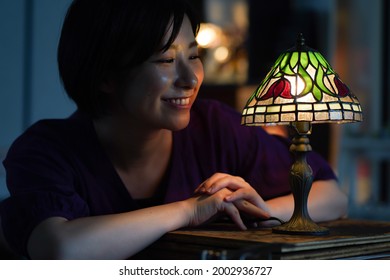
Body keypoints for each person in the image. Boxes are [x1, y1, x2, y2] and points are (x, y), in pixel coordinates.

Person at [0, 0, 347, 260]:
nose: (190, 79)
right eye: (166, 60)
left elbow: (331, 195)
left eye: (194, 56)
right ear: (106, 74)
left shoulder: (214, 125)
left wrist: (259, 210)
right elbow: (59, 251)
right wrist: (190, 210)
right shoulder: (45, 149)